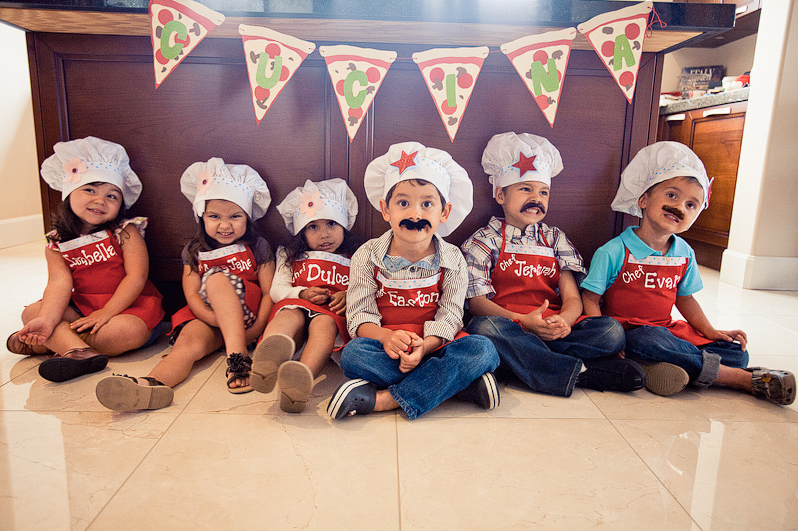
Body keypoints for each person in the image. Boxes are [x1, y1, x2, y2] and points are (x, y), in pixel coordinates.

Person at [581, 141, 795, 404]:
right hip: (631, 334)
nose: (680, 207)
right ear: (643, 199)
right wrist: (608, 345)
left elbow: (685, 299)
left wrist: (711, 331)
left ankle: (658, 366)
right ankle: (737, 379)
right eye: (672, 195)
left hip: (667, 331)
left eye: (691, 204)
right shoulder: (614, 251)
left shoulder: (684, 252)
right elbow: (590, 298)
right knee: (649, 340)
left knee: (737, 353)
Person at [462, 132, 645, 397]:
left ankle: (521, 363)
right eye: (526, 189)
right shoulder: (483, 241)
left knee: (611, 332)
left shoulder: (555, 238)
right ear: (500, 194)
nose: (536, 198)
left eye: (544, 192)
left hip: (554, 329)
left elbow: (572, 298)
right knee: (484, 329)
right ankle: (581, 372)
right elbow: (478, 305)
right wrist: (524, 321)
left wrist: (565, 321)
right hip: (510, 326)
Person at [327, 142, 500, 420]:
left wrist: (425, 346)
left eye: (427, 204)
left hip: (437, 347)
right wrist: (386, 337)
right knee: (353, 356)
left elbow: (451, 316)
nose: (415, 214)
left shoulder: (453, 258)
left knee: (483, 350)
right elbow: (359, 315)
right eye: (403, 203)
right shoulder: (367, 255)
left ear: (444, 212)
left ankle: (384, 400)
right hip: (386, 349)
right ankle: (455, 384)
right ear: (386, 209)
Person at [95, 157, 275, 410]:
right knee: (186, 347)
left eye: (235, 216)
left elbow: (268, 293)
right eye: (214, 216)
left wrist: (253, 332)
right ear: (202, 217)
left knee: (216, 279)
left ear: (248, 218)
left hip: (248, 318)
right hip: (208, 317)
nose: (225, 225)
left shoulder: (258, 246)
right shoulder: (194, 249)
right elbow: (191, 295)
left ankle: (238, 358)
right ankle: (150, 385)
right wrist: (216, 320)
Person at [7, 136, 164, 382]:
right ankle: (78, 351)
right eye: (89, 190)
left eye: (112, 196)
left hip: (127, 307)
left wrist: (107, 312)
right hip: (83, 308)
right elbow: (58, 283)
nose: (100, 200)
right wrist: (47, 319)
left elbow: (137, 276)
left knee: (124, 332)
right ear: (69, 193)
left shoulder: (125, 231)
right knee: (32, 313)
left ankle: (53, 344)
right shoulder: (56, 242)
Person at [250, 178, 361, 413]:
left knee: (325, 324)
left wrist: (348, 295)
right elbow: (276, 290)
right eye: (313, 227)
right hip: (297, 309)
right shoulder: (289, 253)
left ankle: (301, 379)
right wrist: (302, 293)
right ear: (301, 232)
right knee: (288, 315)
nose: (324, 234)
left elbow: (366, 287)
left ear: (344, 224)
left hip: (330, 314)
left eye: (331, 223)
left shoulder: (356, 256)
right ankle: (268, 359)